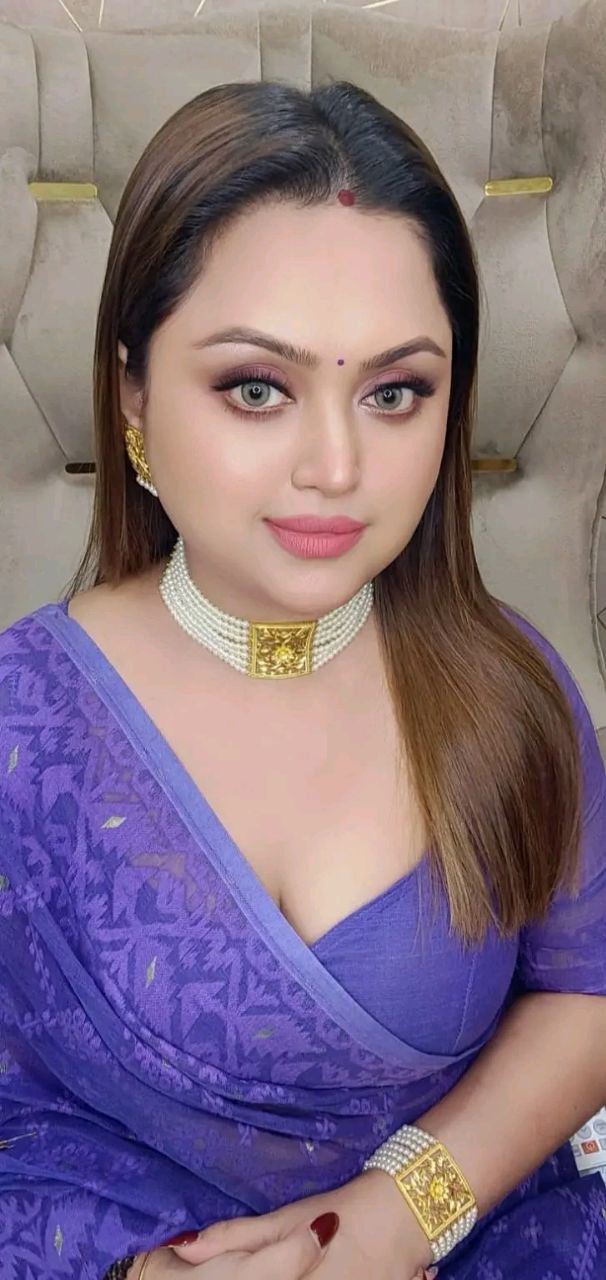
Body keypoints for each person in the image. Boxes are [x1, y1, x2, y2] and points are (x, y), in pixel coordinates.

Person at [0, 77, 604, 1280]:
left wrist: (400, 1209)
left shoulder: (510, 692)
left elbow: (585, 992)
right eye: (256, 387)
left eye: (395, 391)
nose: (336, 464)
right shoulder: (24, 721)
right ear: (132, 394)